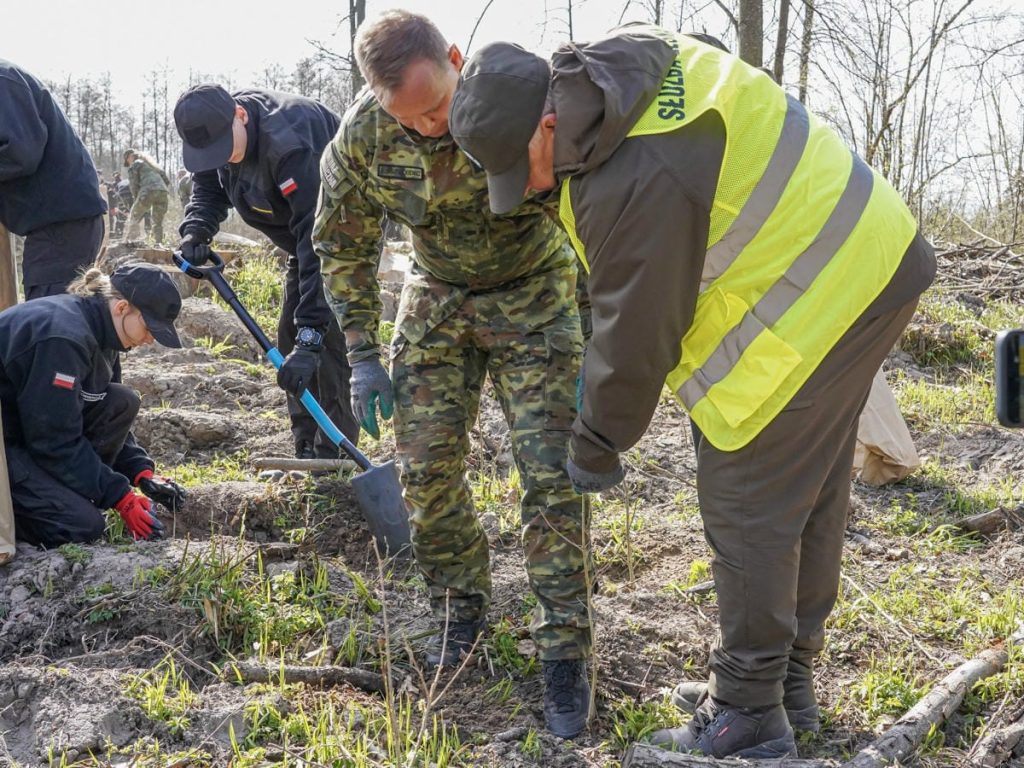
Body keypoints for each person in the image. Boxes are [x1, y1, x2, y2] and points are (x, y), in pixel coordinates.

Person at [448, 24, 936, 759]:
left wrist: (598, 440)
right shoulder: (623, 74)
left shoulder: (635, 174)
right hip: (870, 254)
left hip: (823, 286)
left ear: (548, 121)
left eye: (526, 167)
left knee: (746, 495)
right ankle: (788, 684)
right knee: (810, 483)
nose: (533, 188)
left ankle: (746, 714)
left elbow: (640, 333)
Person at [311, 10, 591, 739]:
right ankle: (458, 608)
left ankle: (564, 650)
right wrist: (364, 354)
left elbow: (597, 218)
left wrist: (599, 337)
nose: (433, 127)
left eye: (439, 107)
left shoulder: (528, 103)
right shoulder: (362, 141)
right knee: (426, 469)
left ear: (458, 60)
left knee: (552, 474)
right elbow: (342, 246)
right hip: (436, 301)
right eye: (413, 118)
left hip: (535, 293)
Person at [173, 83, 359, 460]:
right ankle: (305, 444)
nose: (222, 159)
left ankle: (336, 451)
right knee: (289, 337)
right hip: (300, 237)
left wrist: (312, 336)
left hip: (346, 234)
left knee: (324, 338)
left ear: (240, 115)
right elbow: (208, 187)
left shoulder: (290, 142)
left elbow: (321, 241)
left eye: (225, 150)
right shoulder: (215, 139)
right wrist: (197, 229)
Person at [0, 263, 188, 547]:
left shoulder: (106, 332)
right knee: (81, 525)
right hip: (7, 445)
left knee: (122, 400)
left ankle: (56, 493)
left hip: (29, 428)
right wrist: (119, 496)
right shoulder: (64, 340)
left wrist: (140, 472)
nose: (151, 340)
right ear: (122, 307)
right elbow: (53, 442)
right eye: (150, 329)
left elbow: (99, 402)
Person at [0, 59, 108, 299]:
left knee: (51, 321)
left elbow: (21, 153)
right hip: (61, 224)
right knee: (53, 317)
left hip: (63, 226)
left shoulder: (2, 80)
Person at [123, 148, 170, 244]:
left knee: (134, 216)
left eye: (127, 161)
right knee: (157, 222)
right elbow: (166, 180)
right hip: (163, 192)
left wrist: (137, 199)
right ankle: (158, 243)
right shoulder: (152, 165)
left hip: (148, 191)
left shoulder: (136, 164)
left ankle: (129, 242)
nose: (128, 164)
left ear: (130, 157)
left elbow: (133, 185)